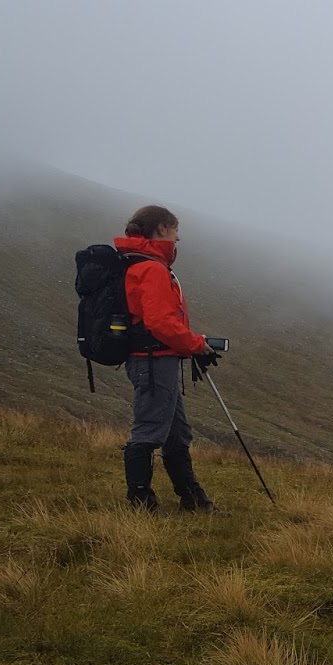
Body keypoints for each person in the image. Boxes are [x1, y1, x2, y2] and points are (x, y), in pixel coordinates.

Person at [116, 205, 221, 513]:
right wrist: (196, 345)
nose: (178, 237)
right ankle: (140, 503)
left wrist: (189, 345)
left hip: (155, 359)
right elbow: (160, 322)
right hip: (153, 360)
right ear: (161, 229)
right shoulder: (151, 268)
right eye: (175, 230)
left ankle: (193, 499)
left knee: (177, 433)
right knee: (149, 430)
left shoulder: (137, 263)